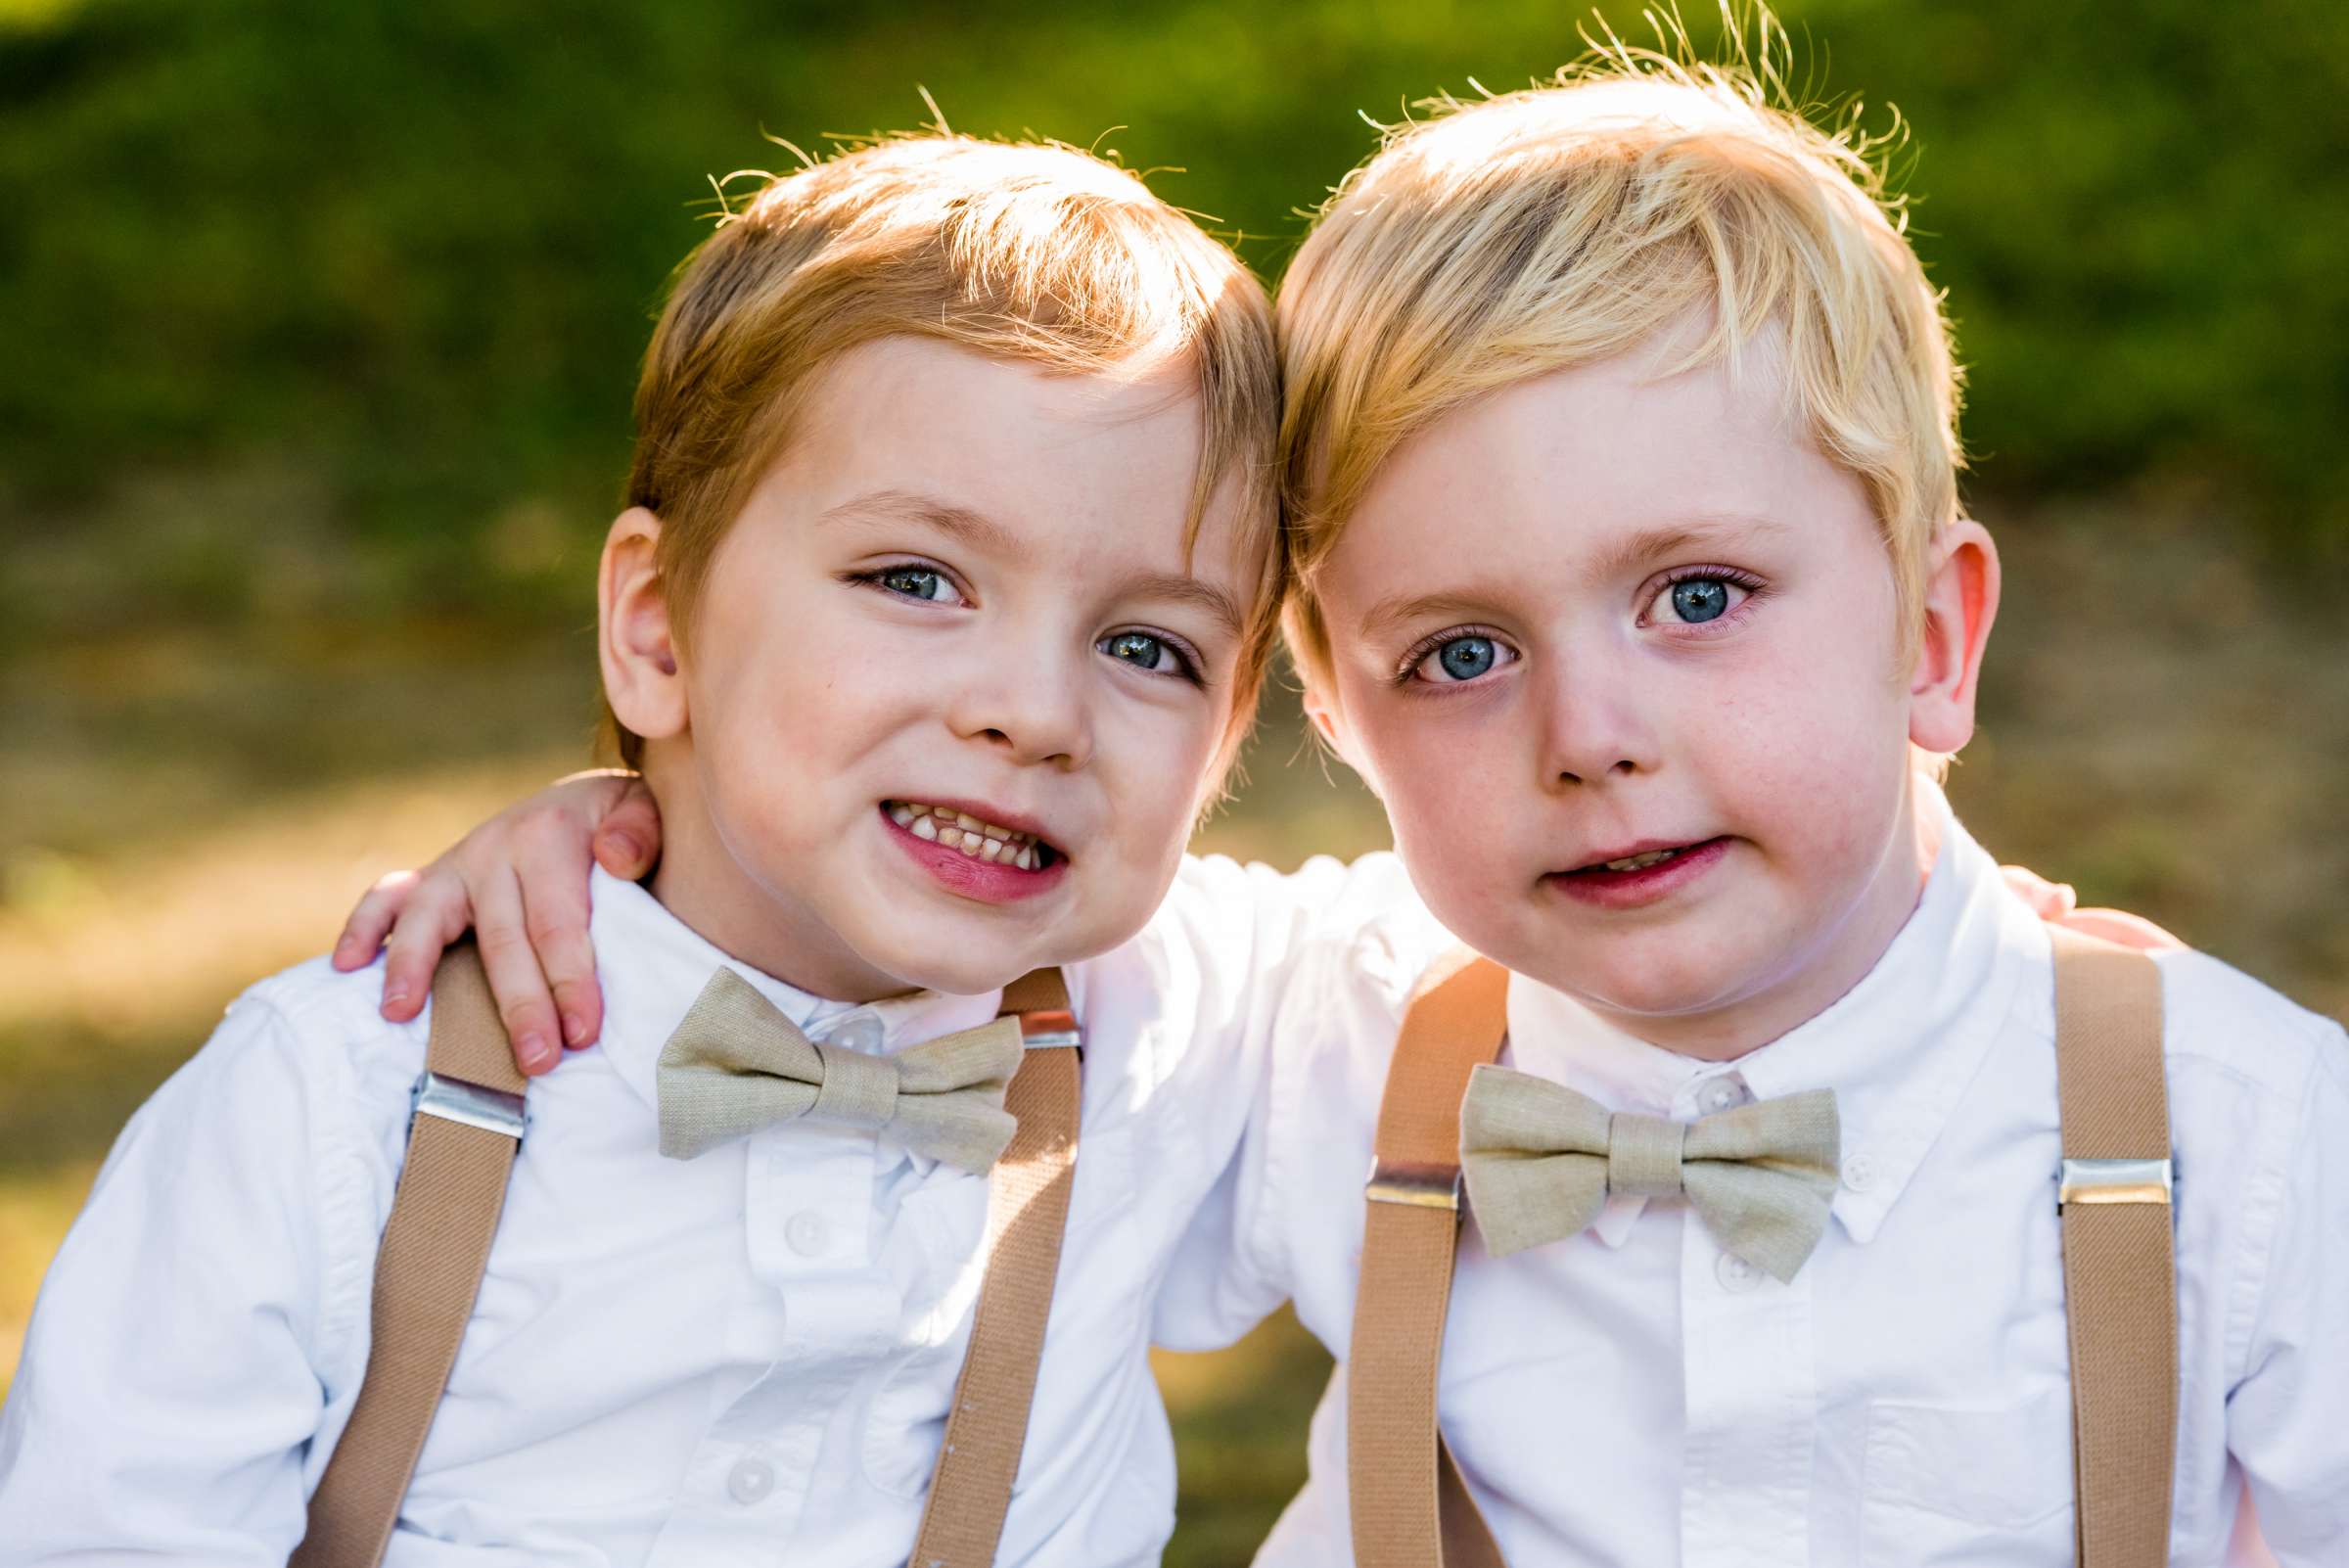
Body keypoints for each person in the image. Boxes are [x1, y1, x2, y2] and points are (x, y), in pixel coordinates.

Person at [337, 32, 2346, 1568]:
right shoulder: (1306, 1022)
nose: (1588, 732)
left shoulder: (2245, 1147)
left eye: (1700, 598)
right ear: (1333, 713)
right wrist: (618, 832)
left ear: (1931, 634)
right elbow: (863, 921)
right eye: (1458, 655)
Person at [0, 132, 1331, 1564]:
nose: (1031, 711)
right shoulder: (338, 1101)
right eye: (916, 578)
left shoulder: (1193, 1030)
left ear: (1234, 734)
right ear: (653, 628)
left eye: (1149, 646)